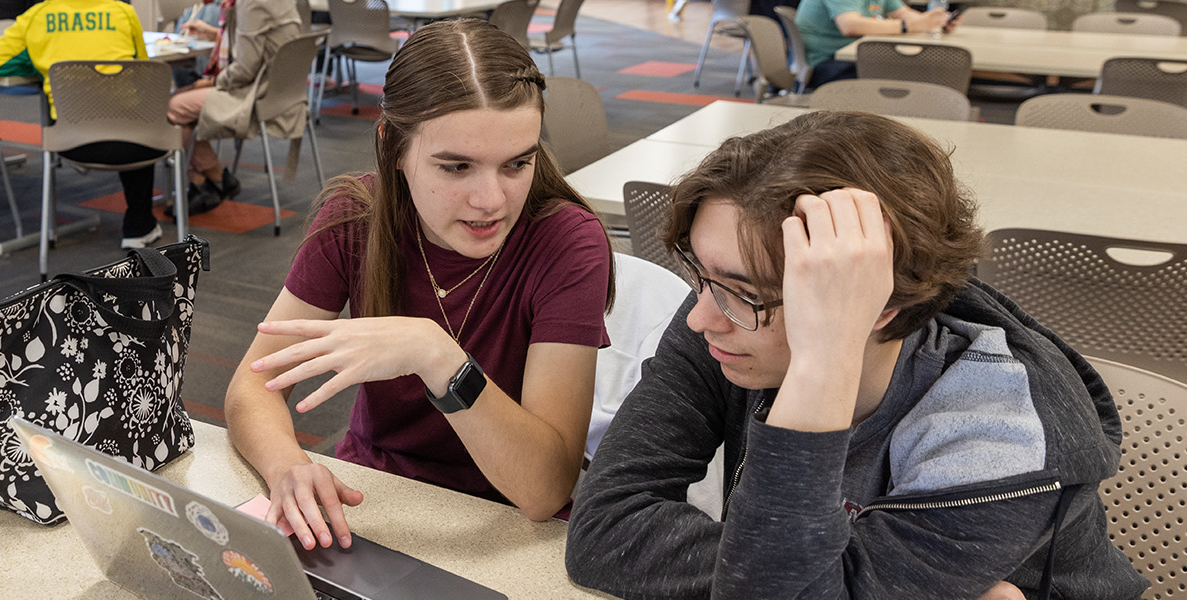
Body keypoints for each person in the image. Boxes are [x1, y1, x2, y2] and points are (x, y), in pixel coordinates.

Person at [565, 111, 1149, 599]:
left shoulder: (998, 440)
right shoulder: (726, 320)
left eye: (744, 293)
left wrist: (824, 361)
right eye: (701, 276)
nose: (699, 318)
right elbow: (604, 528)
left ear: (878, 307)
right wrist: (819, 576)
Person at [223, 19, 615, 552]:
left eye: (517, 163)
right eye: (456, 167)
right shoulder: (354, 219)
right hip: (374, 496)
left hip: (507, 523)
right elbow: (252, 387)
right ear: (393, 145)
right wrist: (287, 464)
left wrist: (438, 356)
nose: (491, 200)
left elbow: (544, 490)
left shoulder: (567, 242)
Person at [0, 0, 165, 248]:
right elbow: (142, 70)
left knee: (125, 121)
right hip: (135, 143)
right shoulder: (122, 12)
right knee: (135, 117)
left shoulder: (37, 16)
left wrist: (39, 61)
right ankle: (138, 227)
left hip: (72, 141)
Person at [166, 0, 304, 212]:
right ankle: (210, 180)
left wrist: (213, 82)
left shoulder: (251, 2)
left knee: (173, 106)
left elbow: (244, 69)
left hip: (255, 95)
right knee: (184, 97)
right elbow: (261, 42)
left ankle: (211, 179)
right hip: (279, 93)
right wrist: (214, 34)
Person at [797, 0, 955, 87]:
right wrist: (908, 25)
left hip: (857, 59)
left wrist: (938, 21)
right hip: (826, 64)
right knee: (914, 73)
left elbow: (907, 15)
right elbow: (850, 25)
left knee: (917, 70)